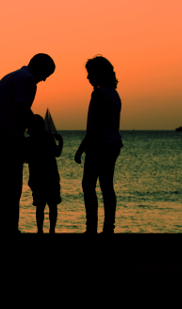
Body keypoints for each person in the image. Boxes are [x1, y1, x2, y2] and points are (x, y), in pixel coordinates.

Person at [0, 54, 55, 234]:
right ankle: (10, 228)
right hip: (6, 138)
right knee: (13, 187)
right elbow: (22, 110)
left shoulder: (13, 76)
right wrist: (41, 132)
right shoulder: (27, 79)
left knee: (4, 187)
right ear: (40, 67)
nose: (44, 79)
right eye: (46, 74)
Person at [74, 55, 122, 234]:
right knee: (107, 186)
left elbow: (95, 125)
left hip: (99, 145)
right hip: (113, 143)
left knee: (88, 185)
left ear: (99, 73)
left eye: (90, 73)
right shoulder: (114, 94)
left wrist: (81, 149)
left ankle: (91, 228)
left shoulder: (99, 93)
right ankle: (109, 227)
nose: (88, 77)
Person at [24, 114, 63, 234]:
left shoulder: (28, 141)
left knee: (39, 206)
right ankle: (52, 230)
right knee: (52, 205)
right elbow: (57, 153)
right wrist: (60, 141)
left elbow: (25, 158)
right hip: (51, 176)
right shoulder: (48, 138)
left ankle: (40, 230)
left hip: (36, 178)